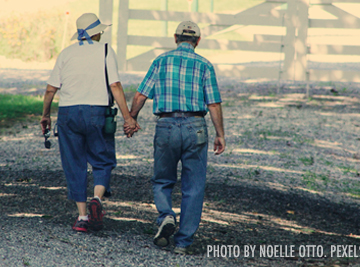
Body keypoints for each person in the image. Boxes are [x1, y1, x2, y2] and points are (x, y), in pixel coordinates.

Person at [127, 21, 225, 254]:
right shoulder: (205, 65)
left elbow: (141, 95)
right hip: (195, 126)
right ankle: (183, 243)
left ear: (175, 38)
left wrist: (131, 118)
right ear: (198, 41)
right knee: (194, 186)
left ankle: (166, 216)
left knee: (162, 179)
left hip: (167, 125)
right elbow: (213, 103)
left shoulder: (160, 61)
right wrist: (220, 134)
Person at [40, 13, 138, 233]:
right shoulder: (105, 50)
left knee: (74, 163)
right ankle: (97, 198)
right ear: (96, 32)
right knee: (102, 159)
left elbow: (50, 89)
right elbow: (115, 85)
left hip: (68, 114)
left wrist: (45, 115)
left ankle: (83, 216)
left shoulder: (65, 53)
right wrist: (127, 117)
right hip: (97, 112)